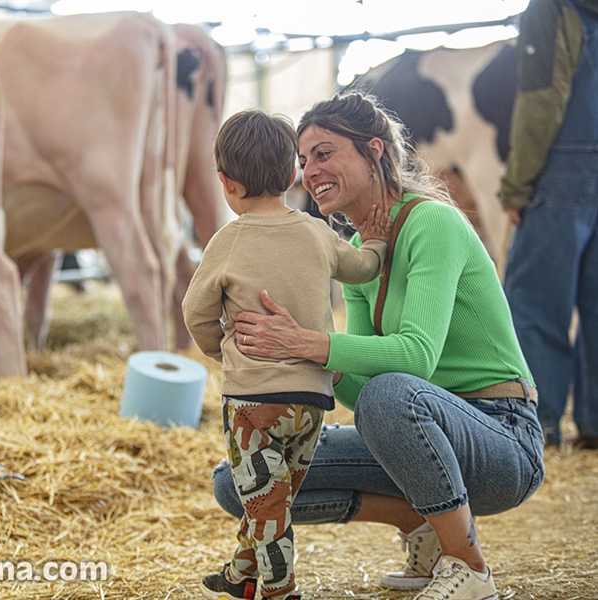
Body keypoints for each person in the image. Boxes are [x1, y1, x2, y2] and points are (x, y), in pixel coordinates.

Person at [212, 91, 545, 600]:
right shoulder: (358, 255)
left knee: (392, 395)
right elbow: (359, 394)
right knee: (237, 481)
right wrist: (290, 356)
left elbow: (415, 358)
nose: (310, 172)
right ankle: (421, 521)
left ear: (373, 151)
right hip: (421, 431)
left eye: (324, 153)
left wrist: (312, 342)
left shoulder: (433, 223)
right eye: (303, 161)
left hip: (501, 438)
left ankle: (469, 567)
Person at [182, 109, 391, 600]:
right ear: (293, 174)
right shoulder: (317, 231)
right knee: (274, 497)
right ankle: (241, 573)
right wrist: (379, 241)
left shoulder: (227, 240)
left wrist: (225, 352)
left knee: (266, 503)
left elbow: (195, 313)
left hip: (254, 404)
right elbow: (362, 268)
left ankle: (280, 589)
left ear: (225, 183)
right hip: (312, 403)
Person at [499, 0, 598, 449]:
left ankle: (540, 427)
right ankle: (593, 426)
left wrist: (518, 185)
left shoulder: (551, 9)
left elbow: (543, 99)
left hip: (561, 173)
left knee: (536, 306)